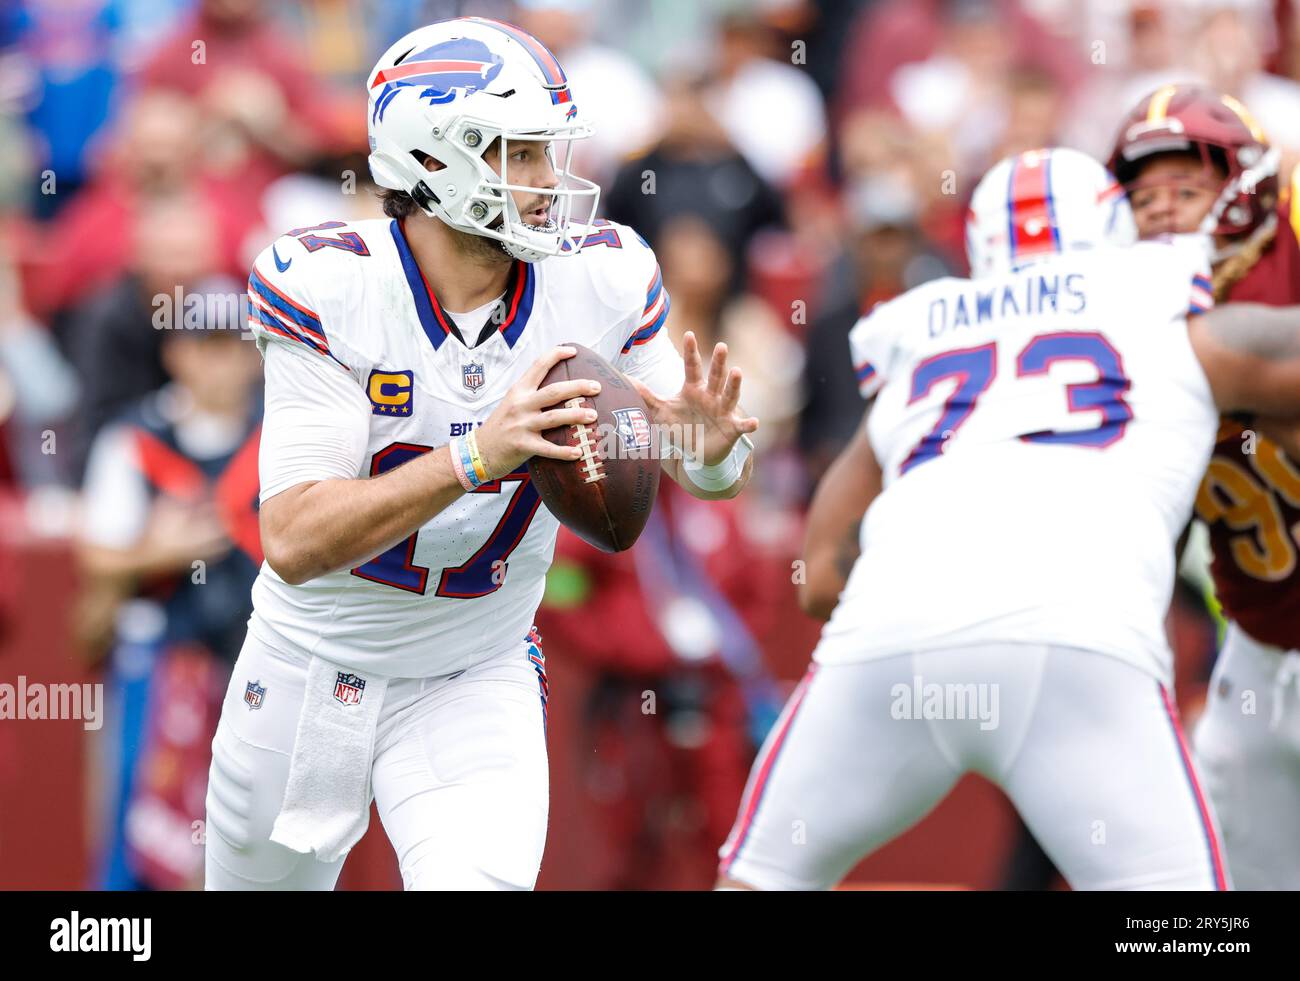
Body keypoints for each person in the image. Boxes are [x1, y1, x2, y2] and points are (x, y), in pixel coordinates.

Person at [203, 16, 758, 892]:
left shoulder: (601, 275)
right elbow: (295, 539)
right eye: (520, 153)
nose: (550, 181)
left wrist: (711, 449)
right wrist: (477, 453)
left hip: (474, 667)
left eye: (551, 151)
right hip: (310, 663)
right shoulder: (334, 286)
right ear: (429, 160)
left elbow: (694, 462)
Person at [716, 145, 1300, 891]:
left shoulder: (924, 332)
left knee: (761, 877)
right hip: (1079, 644)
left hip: (885, 648)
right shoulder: (1165, 299)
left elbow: (821, 572)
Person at [1109, 83, 1300, 890]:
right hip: (1260, 644)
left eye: (1185, 189)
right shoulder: (1119, 314)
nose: (1162, 212)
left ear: (1245, 184)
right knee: (1242, 879)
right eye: (1144, 198)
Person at [79, 280, 264, 889]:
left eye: (235, 344)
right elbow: (95, 557)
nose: (222, 360)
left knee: (261, 837)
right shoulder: (134, 438)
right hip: (159, 663)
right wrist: (160, 549)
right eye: (205, 344)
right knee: (137, 830)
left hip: (259, 663)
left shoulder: (285, 434)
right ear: (175, 353)